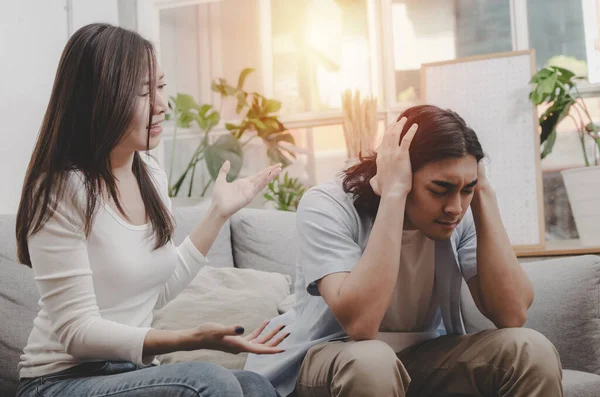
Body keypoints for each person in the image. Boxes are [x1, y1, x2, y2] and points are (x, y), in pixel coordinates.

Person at [15, 23, 288, 397]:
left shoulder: (151, 175)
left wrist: (218, 214)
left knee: (254, 386)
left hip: (129, 373)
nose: (162, 104)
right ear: (98, 99)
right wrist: (185, 339)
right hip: (60, 380)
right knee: (211, 382)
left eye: (160, 86)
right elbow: (76, 333)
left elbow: (152, 293)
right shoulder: (60, 189)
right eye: (144, 92)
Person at [245, 105, 564, 397]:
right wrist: (394, 195)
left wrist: (484, 197)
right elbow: (361, 325)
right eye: (440, 189)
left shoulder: (458, 213)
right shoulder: (327, 205)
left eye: (466, 189)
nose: (454, 207)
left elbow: (512, 314)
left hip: (425, 354)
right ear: (402, 172)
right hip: (334, 355)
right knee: (373, 360)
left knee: (530, 348)